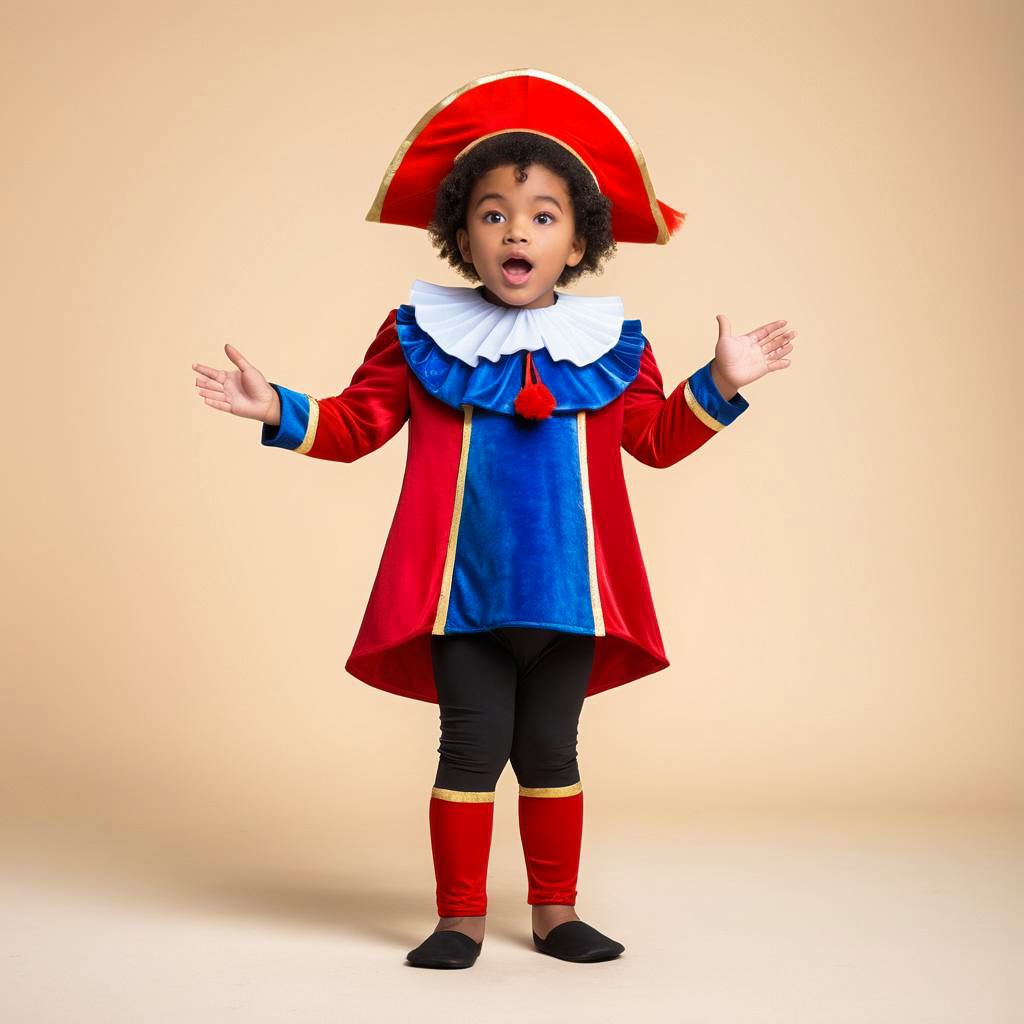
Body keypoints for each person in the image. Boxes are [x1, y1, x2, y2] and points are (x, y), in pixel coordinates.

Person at [191, 69, 795, 970]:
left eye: (543, 215)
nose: (518, 230)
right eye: (494, 213)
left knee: (552, 752)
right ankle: (459, 919)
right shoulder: (416, 332)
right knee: (470, 752)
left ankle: (556, 913)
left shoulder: (614, 343)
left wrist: (722, 384)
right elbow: (358, 425)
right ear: (460, 232)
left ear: (578, 239)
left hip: (571, 601)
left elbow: (657, 441)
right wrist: (275, 405)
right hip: (459, 602)